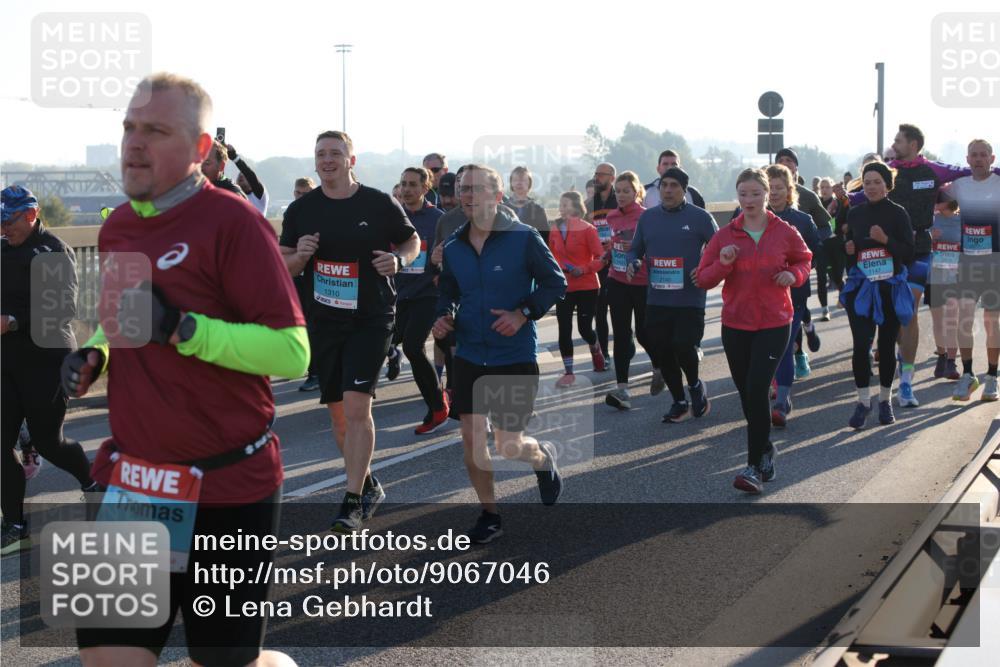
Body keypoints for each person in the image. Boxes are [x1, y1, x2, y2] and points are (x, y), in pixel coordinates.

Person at [64, 72, 306, 667]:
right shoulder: (120, 225)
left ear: (201, 150)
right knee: (108, 659)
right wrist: (96, 354)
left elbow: (290, 350)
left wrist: (184, 330)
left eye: (156, 130)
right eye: (128, 127)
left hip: (228, 487)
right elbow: (124, 320)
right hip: (138, 485)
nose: (134, 143)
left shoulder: (234, 223)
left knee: (224, 663)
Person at [279, 130, 419, 533]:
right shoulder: (301, 210)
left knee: (358, 408)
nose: (327, 160)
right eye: (321, 154)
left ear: (351, 160)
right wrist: (300, 256)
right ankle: (369, 482)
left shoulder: (377, 202)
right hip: (324, 321)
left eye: (335, 153)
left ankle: (353, 500)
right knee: (339, 417)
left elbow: (412, 241)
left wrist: (399, 260)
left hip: (371, 319)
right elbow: (284, 265)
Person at [432, 164, 566, 543]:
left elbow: (556, 283)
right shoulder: (454, 246)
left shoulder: (523, 238)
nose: (468, 196)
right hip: (471, 355)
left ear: (497, 195)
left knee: (509, 445)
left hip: (513, 355)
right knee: (473, 443)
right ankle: (489, 514)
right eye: (463, 189)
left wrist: (522, 313)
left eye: (477, 189)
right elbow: (448, 292)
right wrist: (443, 316)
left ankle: (542, 458)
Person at [695, 168, 812, 494]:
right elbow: (704, 278)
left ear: (767, 196)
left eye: (755, 194)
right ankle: (765, 451)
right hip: (736, 324)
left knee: (759, 387)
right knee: (748, 393)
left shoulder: (783, 230)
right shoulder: (726, 235)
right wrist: (724, 262)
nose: (749, 200)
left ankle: (752, 468)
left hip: (775, 322)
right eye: (743, 194)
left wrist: (794, 275)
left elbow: (805, 259)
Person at [2, 185, 98, 556]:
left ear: (31, 214)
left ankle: (93, 486)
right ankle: (14, 525)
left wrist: (11, 322)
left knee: (48, 442)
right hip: (5, 361)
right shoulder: (0, 249)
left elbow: (64, 310)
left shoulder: (54, 250)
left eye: (8, 221)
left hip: (45, 358)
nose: (2, 229)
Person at [626, 167, 717, 422]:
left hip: (690, 297)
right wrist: (633, 263)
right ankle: (678, 401)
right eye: (664, 185)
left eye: (674, 186)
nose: (667, 190)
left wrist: (704, 269)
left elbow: (718, 247)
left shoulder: (700, 218)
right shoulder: (648, 218)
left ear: (684, 190)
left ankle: (695, 385)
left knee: (683, 345)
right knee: (662, 349)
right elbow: (635, 250)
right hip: (657, 298)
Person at [841, 161, 915, 429]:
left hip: (890, 287)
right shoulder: (855, 214)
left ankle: (885, 400)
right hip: (862, 288)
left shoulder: (898, 214)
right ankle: (863, 402)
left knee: (885, 347)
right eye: (867, 182)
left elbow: (908, 253)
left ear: (887, 185)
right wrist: (849, 249)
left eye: (877, 182)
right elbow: (851, 252)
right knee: (861, 346)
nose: (871, 187)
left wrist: (885, 240)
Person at [387, 167, 450, 433]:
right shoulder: (392, 216)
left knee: (414, 347)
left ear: (426, 188)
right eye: (403, 184)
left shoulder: (439, 219)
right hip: (397, 295)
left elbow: (451, 255)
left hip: (427, 293)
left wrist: (440, 268)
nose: (407, 189)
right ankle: (391, 353)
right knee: (384, 341)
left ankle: (437, 408)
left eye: (413, 184)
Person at [763, 165, 821, 428]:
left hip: (793, 296)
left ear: (789, 191)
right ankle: (775, 391)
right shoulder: (748, 217)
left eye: (779, 188)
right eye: (769, 187)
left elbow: (813, 258)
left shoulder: (801, 220)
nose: (773, 193)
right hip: (759, 296)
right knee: (766, 351)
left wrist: (792, 271)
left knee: (785, 348)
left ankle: (781, 402)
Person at [943, 138, 1000, 402]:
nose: (978, 159)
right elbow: (936, 199)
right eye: (973, 155)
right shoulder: (959, 186)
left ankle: (992, 376)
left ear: (992, 159)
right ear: (967, 160)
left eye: (983, 155)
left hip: (995, 263)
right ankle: (968, 375)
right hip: (967, 262)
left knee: (992, 322)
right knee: (963, 319)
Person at [604, 171, 655, 410]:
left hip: (642, 282)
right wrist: (608, 253)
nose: (621, 195)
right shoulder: (611, 217)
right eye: (618, 191)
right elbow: (613, 244)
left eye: (626, 191)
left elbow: (653, 247)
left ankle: (659, 366)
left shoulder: (647, 217)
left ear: (637, 192)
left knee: (645, 333)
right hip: (617, 280)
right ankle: (623, 388)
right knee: (622, 334)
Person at [775, 148, 832, 357]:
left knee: (797, 308)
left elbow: (827, 226)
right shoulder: (764, 197)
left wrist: (809, 244)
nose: (784, 163)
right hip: (774, 267)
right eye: (780, 160)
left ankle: (798, 355)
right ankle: (799, 347)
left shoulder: (807, 196)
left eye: (788, 160)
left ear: (796, 167)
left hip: (801, 264)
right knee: (786, 314)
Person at [549, 191, 607, 387]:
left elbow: (601, 258)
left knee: (584, 329)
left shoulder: (588, 229)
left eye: (565, 205)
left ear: (576, 207)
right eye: (560, 204)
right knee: (564, 329)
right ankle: (568, 372)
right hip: (564, 286)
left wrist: (583, 269)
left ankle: (595, 346)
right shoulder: (555, 228)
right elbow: (551, 255)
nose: (561, 208)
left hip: (587, 285)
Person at [586, 163, 617, 370]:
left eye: (601, 175)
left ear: (611, 178)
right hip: (597, 262)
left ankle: (627, 341)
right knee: (599, 311)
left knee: (619, 309)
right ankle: (604, 354)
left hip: (618, 261)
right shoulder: (589, 204)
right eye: (595, 174)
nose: (597, 178)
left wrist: (613, 243)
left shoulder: (620, 199)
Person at [291, 177, 321, 392]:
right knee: (300, 324)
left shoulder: (320, 211)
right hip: (295, 278)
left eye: (306, 193)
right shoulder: (292, 214)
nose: (301, 197)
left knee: (314, 326)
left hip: (318, 279)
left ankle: (316, 373)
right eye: (298, 193)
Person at [928, 200, 962, 382]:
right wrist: (930, 238)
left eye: (941, 200)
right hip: (935, 275)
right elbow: (917, 242)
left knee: (951, 319)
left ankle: (951, 362)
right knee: (938, 321)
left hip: (955, 276)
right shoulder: (930, 219)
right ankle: (941, 357)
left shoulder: (962, 220)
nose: (937, 203)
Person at [642, 150, 707, 209]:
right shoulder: (645, 192)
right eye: (665, 164)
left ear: (680, 168)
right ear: (658, 169)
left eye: (674, 164)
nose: (669, 167)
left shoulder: (693, 194)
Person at [819, 177, 849, 299]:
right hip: (823, 244)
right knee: (826, 276)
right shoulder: (816, 203)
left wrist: (844, 226)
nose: (824, 190)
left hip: (837, 242)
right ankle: (825, 309)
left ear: (832, 189)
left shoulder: (838, 202)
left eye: (827, 187)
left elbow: (847, 213)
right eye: (822, 187)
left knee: (838, 276)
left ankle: (844, 297)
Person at [508, 166, 550, 243]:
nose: (519, 183)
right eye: (515, 180)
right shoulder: (502, 209)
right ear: (511, 183)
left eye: (523, 180)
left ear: (529, 183)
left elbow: (545, 239)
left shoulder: (538, 210)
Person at [227, 143, 269, 215]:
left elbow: (249, 174)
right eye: (239, 175)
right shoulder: (234, 195)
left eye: (244, 175)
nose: (241, 176)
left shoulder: (259, 195)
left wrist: (235, 157)